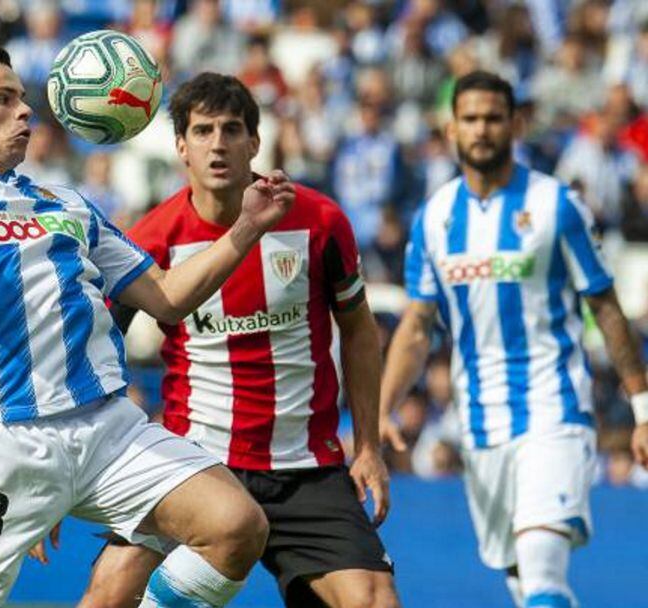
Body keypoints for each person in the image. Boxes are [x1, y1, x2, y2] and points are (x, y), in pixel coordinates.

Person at [0, 45, 295, 608]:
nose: (25, 110)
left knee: (236, 526)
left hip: (107, 428)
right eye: (4, 98)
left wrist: (245, 229)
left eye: (23, 98)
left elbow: (168, 297)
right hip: (1, 441)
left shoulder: (66, 202)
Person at [75, 73, 400, 608]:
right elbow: (95, 350)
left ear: (255, 141)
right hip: (192, 461)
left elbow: (360, 329)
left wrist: (367, 447)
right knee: (110, 592)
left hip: (305, 468)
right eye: (202, 131)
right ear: (181, 146)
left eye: (231, 130)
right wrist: (64, 472)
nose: (218, 144)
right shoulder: (153, 238)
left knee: (373, 601)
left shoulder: (319, 221)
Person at [380, 70, 648, 608]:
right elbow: (417, 324)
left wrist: (642, 407)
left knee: (541, 569)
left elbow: (605, 305)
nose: (481, 129)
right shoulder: (435, 218)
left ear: (515, 125)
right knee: (527, 585)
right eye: (470, 119)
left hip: (554, 410)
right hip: (480, 425)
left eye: (493, 118)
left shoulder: (556, 205)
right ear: (451, 129)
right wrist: (381, 408)